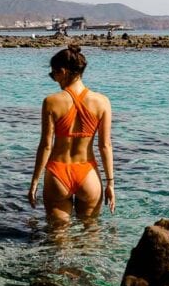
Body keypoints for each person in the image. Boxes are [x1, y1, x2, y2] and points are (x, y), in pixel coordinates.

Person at [28, 46, 115, 223]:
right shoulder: (103, 102)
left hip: (58, 173)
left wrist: (35, 181)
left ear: (63, 71)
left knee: (58, 239)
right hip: (88, 173)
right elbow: (105, 146)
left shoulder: (51, 102)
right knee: (91, 237)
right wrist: (110, 183)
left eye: (53, 75)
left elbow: (46, 145)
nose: (54, 80)